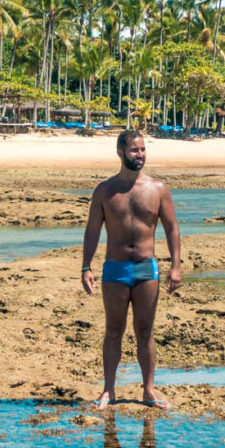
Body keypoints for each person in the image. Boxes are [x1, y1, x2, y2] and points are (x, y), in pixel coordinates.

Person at [81, 129, 181, 410]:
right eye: (135, 150)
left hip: (146, 269)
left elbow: (172, 229)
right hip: (114, 269)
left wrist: (176, 266)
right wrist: (86, 266)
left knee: (145, 331)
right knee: (113, 330)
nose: (140, 155)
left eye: (143, 149)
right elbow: (92, 230)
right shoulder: (105, 190)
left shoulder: (158, 188)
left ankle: (148, 390)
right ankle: (108, 390)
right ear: (120, 152)